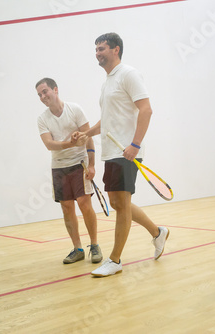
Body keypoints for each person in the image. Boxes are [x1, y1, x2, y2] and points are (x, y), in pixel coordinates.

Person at [73, 33, 169, 277]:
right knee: (117, 203)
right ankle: (158, 232)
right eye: (95, 49)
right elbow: (107, 120)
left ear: (116, 49)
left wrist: (135, 145)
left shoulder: (128, 74)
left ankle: (115, 260)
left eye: (102, 48)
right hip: (111, 151)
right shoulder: (107, 83)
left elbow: (146, 110)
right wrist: (87, 133)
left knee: (122, 204)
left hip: (126, 152)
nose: (97, 52)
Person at [35, 77, 103, 265]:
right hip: (59, 167)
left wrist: (91, 165)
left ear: (55, 90)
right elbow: (49, 144)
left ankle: (95, 245)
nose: (42, 96)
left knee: (84, 204)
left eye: (45, 91)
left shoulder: (75, 109)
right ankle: (77, 248)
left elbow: (88, 137)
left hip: (79, 164)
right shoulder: (42, 119)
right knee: (67, 208)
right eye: (39, 94)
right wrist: (70, 143)